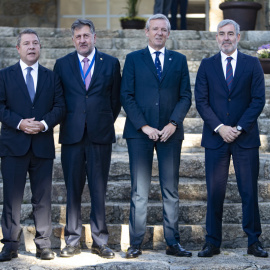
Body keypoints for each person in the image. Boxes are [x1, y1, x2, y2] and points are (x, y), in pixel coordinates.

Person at [195, 19, 268, 258]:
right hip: (216, 139)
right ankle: (212, 242)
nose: (225, 38)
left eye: (230, 34)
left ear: (238, 37)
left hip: (245, 138)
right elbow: (202, 102)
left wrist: (237, 127)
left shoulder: (252, 63)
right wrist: (220, 127)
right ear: (216, 38)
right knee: (215, 192)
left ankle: (253, 241)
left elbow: (258, 100)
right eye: (221, 34)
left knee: (249, 191)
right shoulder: (206, 65)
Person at [121, 14, 192, 258]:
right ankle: (135, 243)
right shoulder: (132, 59)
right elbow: (126, 96)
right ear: (146, 32)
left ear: (168, 33)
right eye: (155, 29)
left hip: (170, 134)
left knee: (170, 189)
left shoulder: (179, 60)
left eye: (164, 29)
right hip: (140, 134)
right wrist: (144, 126)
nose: (159, 33)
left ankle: (173, 242)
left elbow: (185, 96)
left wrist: (174, 123)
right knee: (139, 191)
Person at [53, 19, 121, 259]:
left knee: (99, 189)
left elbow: (115, 101)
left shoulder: (111, 64)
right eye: (78, 37)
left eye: (86, 36)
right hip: (71, 135)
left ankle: (100, 241)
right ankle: (72, 240)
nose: (82, 40)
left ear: (94, 37)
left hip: (100, 135)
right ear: (73, 40)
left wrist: (99, 121)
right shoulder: (62, 65)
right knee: (72, 189)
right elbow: (59, 100)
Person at [0, 29, 66, 261]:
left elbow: (60, 106)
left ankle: (43, 245)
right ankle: (10, 244)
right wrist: (19, 123)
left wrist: (44, 124)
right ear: (18, 48)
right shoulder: (4, 75)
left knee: (43, 198)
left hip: (42, 146)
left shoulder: (51, 76)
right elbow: (0, 107)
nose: (31, 47)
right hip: (13, 146)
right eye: (26, 43)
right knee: (12, 197)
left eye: (35, 43)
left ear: (40, 48)